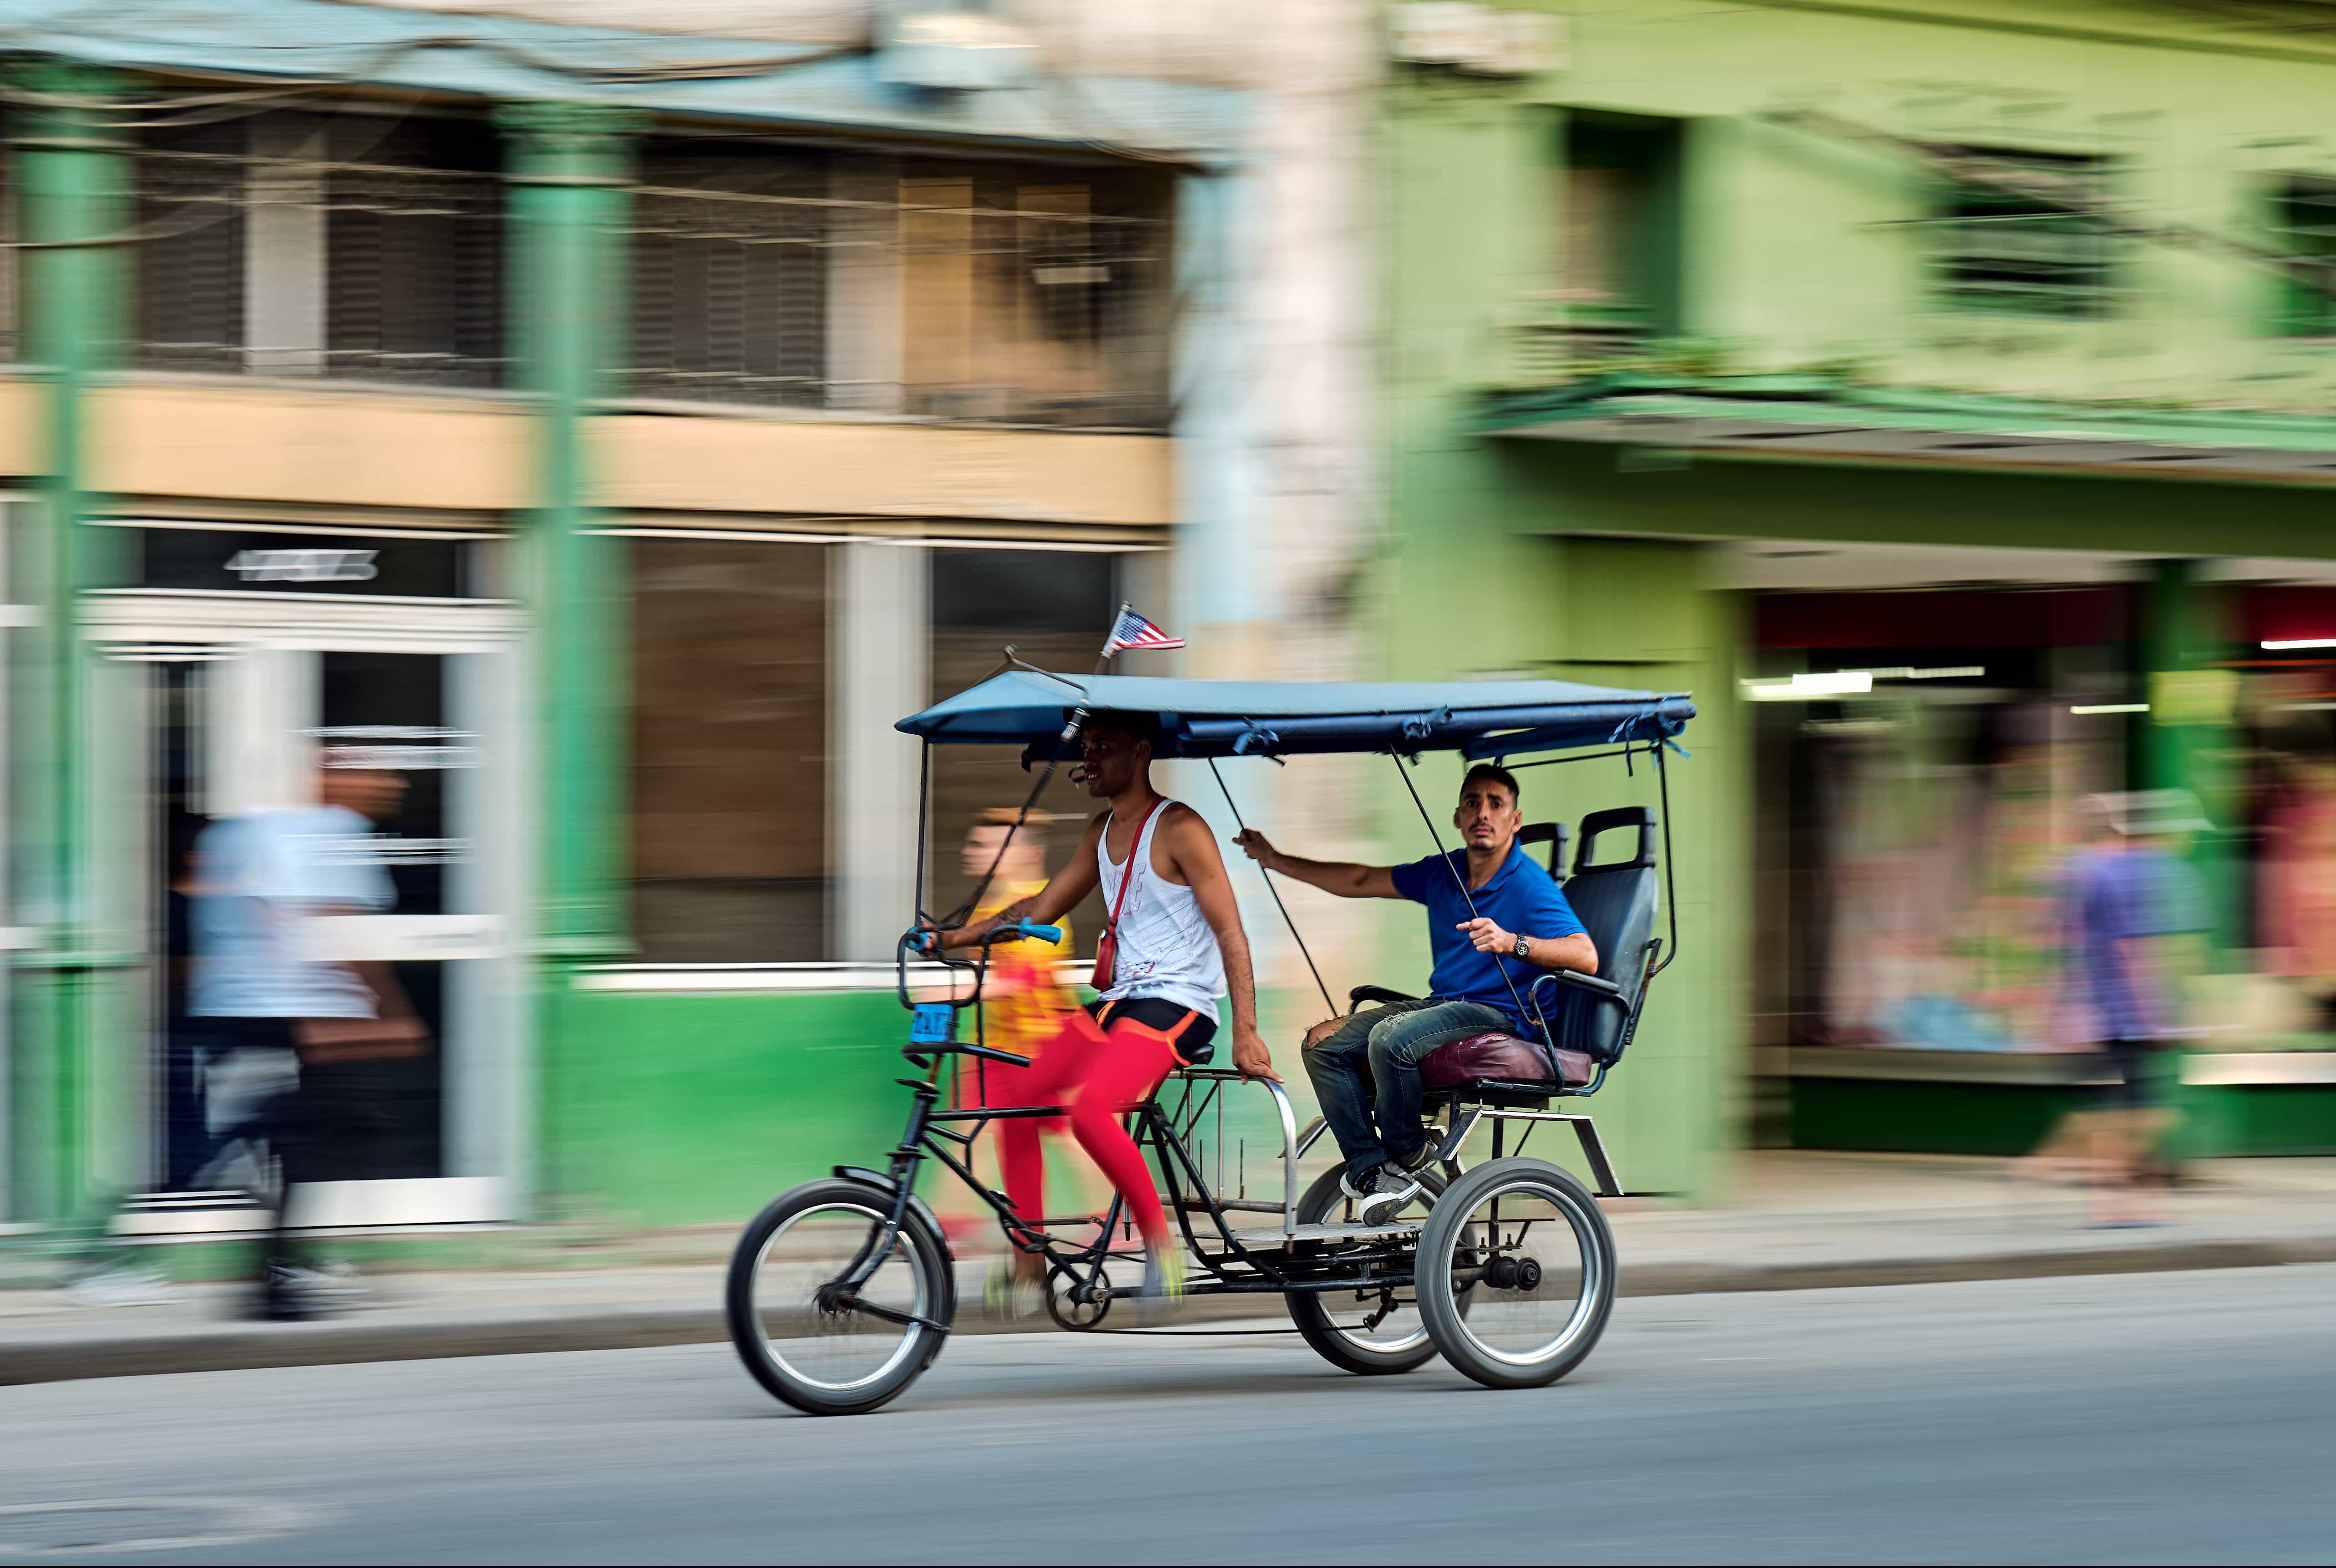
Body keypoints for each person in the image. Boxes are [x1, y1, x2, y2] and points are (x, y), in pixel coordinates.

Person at [930, 711, 1272, 1307]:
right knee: (1016, 1103)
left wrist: (1246, 1029)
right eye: (1085, 748)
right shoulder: (1100, 829)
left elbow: (1231, 931)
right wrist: (953, 938)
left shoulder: (1181, 828)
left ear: (1140, 751)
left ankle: (1162, 1250)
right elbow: (1038, 908)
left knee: (1090, 1110)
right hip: (1120, 1002)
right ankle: (1028, 1259)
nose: (1086, 759)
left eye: (1101, 747)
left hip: (1180, 1002)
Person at [1236, 763, 1597, 1223]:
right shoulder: (1442, 872)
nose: (1482, 812)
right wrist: (1275, 859)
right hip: (1444, 1005)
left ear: (1515, 820)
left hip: (1502, 1013)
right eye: (1473, 803)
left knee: (1392, 1038)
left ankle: (1410, 1153)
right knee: (1321, 1043)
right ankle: (1373, 1170)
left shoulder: (1529, 883)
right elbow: (1361, 880)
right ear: (1458, 817)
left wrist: (1513, 941)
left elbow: (1585, 955)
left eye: (1496, 804)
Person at [190, 754, 431, 1320]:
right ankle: (278, 1266)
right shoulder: (336, 830)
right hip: (309, 1013)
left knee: (308, 1139)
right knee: (343, 1132)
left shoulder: (238, 831)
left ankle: (275, 1253)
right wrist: (389, 1009)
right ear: (328, 774)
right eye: (375, 770)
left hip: (239, 1008)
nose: (391, 782)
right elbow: (337, 922)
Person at [932, 809, 1083, 1306]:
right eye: (974, 842)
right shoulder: (989, 904)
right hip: (997, 1047)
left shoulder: (1045, 901)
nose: (972, 851)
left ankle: (1115, 1224)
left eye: (987, 844)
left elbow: (1031, 974)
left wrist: (971, 983)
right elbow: (976, 962)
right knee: (980, 1134)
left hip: (1040, 1047)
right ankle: (1004, 1248)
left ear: (1027, 851)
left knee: (1060, 1141)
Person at [2043, 790, 2209, 1226]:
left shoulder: (2076, 871)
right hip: (2121, 1014)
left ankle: (2116, 1200)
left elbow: (2063, 944)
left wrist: (2059, 1011)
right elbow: (2130, 950)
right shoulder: (2119, 876)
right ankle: (2115, 1195)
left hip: (2092, 1011)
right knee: (2137, 1110)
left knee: (2116, 1107)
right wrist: (2153, 1015)